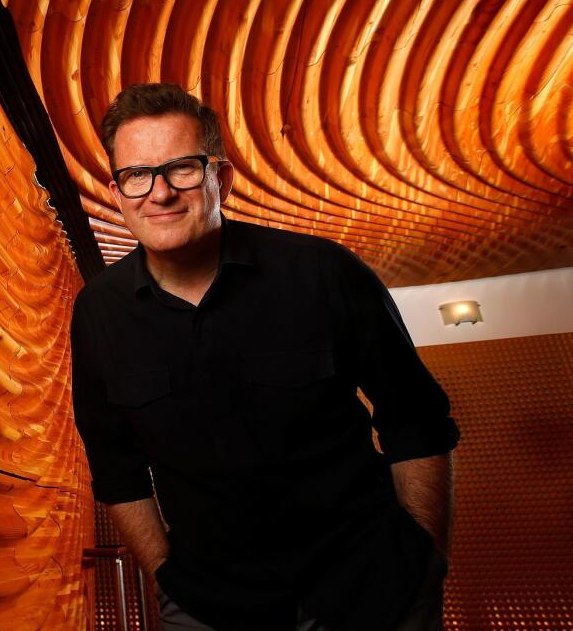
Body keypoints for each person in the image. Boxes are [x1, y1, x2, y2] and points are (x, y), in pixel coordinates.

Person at [70, 83, 459, 631]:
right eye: (137, 175)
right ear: (117, 192)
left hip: (373, 591)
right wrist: (166, 576)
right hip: (210, 608)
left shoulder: (324, 273)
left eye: (181, 168)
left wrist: (425, 560)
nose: (158, 194)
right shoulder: (97, 314)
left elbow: (416, 420)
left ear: (219, 178)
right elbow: (117, 474)